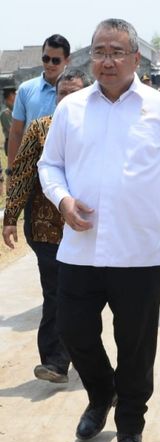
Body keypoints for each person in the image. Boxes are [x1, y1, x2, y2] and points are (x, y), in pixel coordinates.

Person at [38, 18, 160, 442]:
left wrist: (153, 205)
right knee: (74, 332)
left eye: (117, 52)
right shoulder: (71, 110)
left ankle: (130, 425)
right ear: (90, 58)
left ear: (134, 58)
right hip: (80, 250)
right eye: (100, 52)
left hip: (137, 252)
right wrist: (64, 200)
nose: (107, 61)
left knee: (136, 345)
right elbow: (49, 167)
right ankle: (100, 393)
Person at [3, 70, 87, 384]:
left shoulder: (98, 131)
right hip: (46, 230)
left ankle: (83, 352)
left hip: (88, 230)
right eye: (62, 94)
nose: (67, 100)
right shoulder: (40, 129)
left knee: (84, 296)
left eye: (74, 94)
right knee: (56, 294)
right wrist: (10, 217)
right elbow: (23, 173)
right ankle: (55, 361)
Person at [7, 34, 70, 171]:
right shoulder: (25, 90)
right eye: (46, 59)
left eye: (55, 60)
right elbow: (16, 133)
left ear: (67, 61)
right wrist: (11, 171)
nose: (49, 64)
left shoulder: (79, 91)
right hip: (31, 171)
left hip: (67, 169)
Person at [1, 86, 16, 195]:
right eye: (15, 94)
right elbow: (12, 131)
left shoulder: (16, 111)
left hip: (18, 142)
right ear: (10, 96)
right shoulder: (5, 114)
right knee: (12, 168)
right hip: (11, 143)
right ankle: (10, 190)